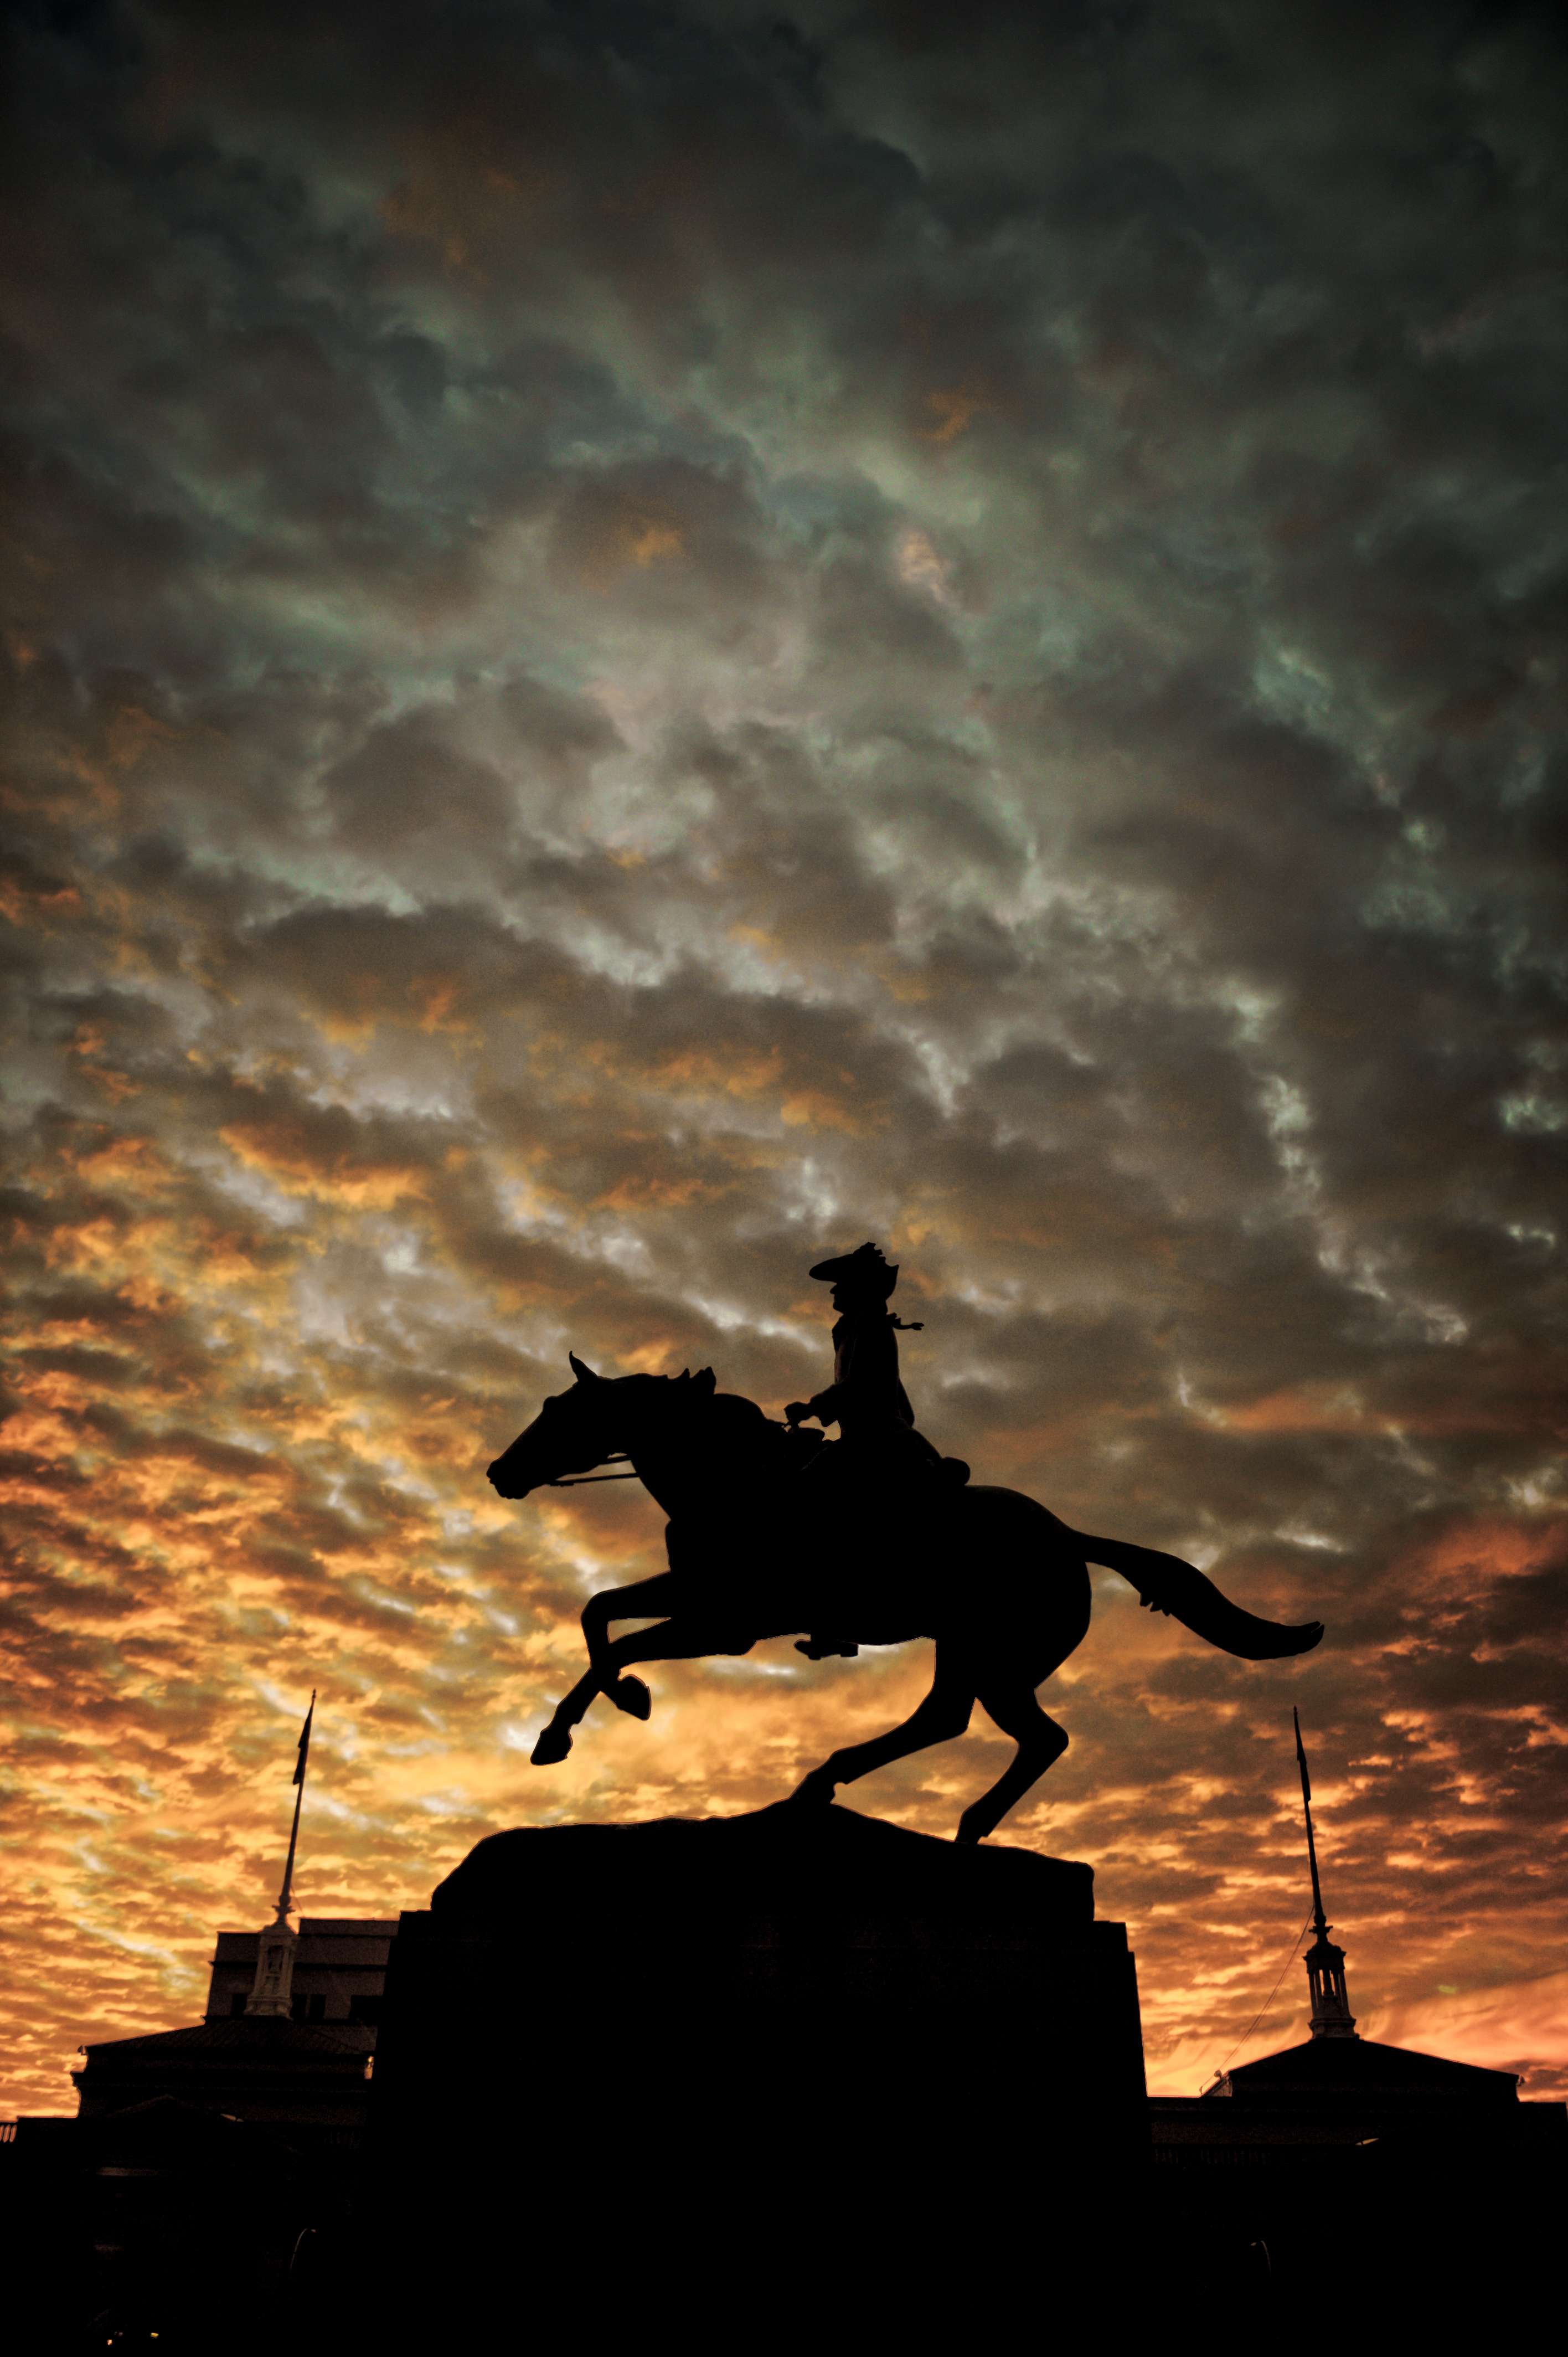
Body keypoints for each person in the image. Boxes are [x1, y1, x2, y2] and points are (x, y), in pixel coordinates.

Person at [785, 1243, 966, 1660]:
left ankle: (832, 1620)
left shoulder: (868, 1326)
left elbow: (860, 1385)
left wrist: (813, 1406)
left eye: (839, 1287)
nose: (832, 1296)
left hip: (872, 1442)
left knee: (797, 1498)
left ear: (859, 1289)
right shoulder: (861, 1328)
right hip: (881, 1437)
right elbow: (903, 1406)